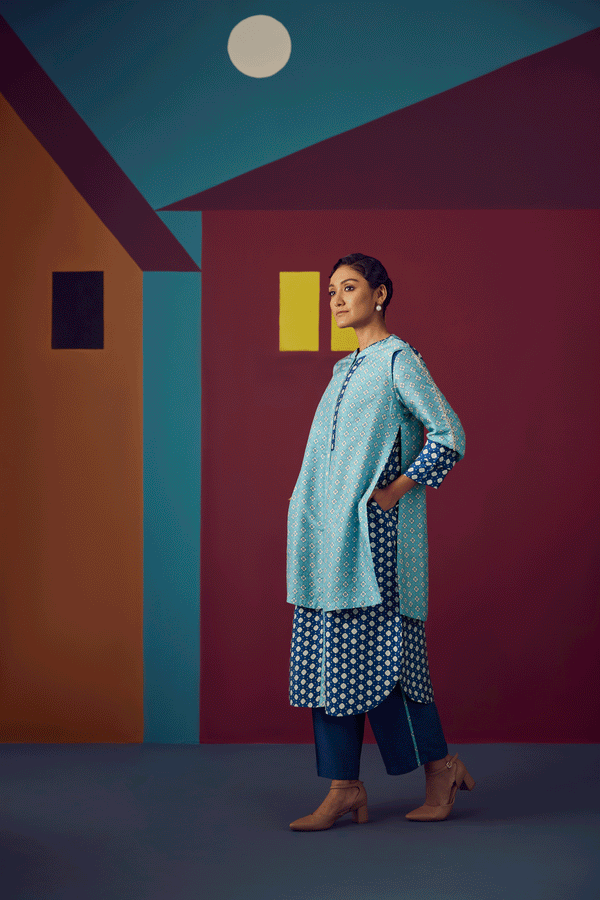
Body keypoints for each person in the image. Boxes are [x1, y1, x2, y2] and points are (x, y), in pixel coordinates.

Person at [286, 253, 475, 831]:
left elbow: (449, 434)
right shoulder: (344, 370)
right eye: (330, 291)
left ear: (381, 294)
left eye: (349, 288)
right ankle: (344, 788)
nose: (337, 300)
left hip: (373, 545)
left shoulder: (399, 360)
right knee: (330, 662)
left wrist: (393, 491)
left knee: (391, 663)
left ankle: (441, 768)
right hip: (325, 544)